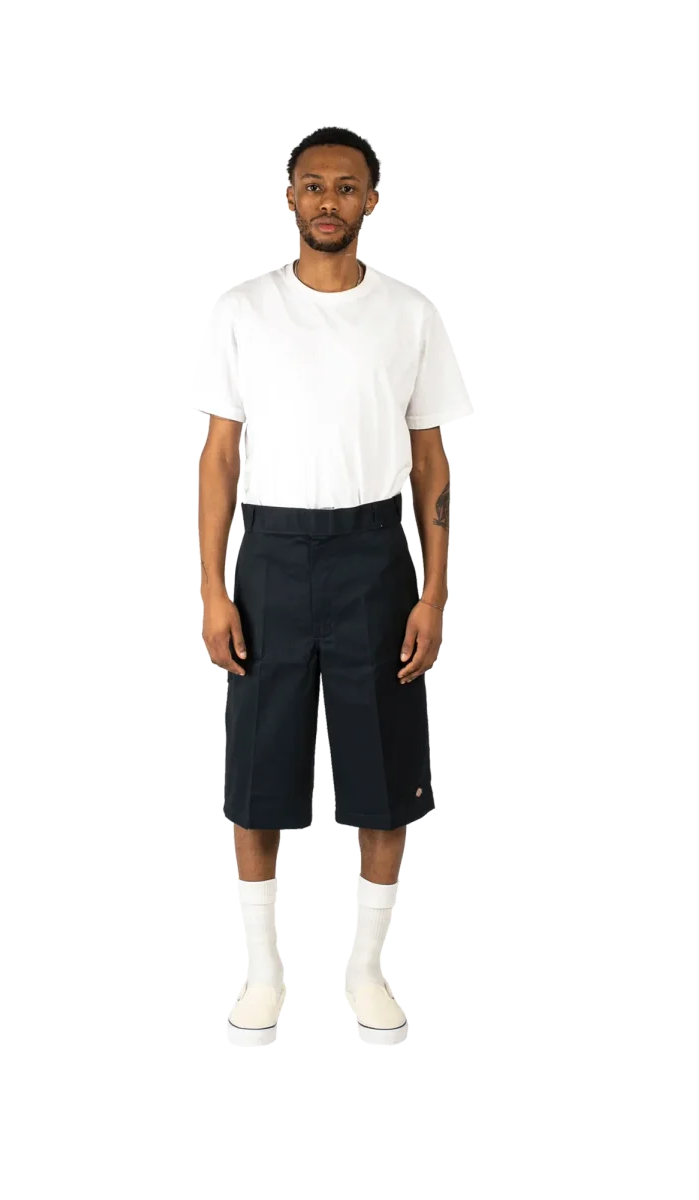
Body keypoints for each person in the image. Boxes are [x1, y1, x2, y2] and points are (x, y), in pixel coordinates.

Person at [199, 127, 468, 1045]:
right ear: (288, 195)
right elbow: (219, 456)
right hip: (269, 553)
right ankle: (261, 971)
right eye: (311, 184)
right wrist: (212, 589)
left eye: (345, 187)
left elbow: (429, 461)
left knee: (384, 767)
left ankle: (368, 970)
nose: (327, 200)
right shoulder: (243, 309)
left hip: (373, 554)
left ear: (371, 201)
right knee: (258, 768)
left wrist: (433, 592)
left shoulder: (408, 312)